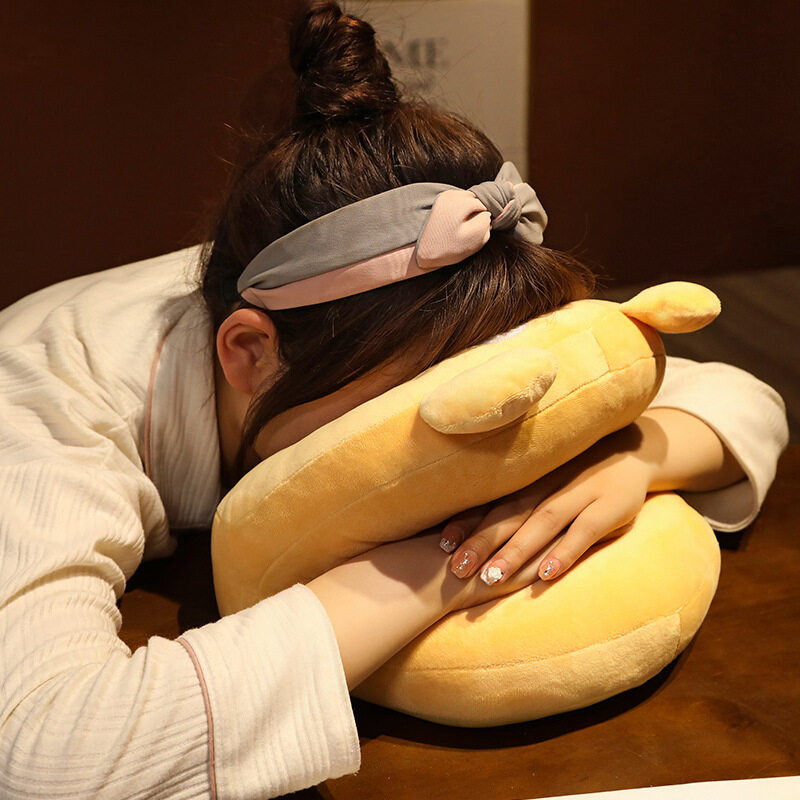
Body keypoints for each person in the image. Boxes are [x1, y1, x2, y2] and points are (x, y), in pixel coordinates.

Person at [0, 2, 788, 798]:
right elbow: (48, 756)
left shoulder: (425, 309)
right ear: (249, 353)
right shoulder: (47, 407)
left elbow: (738, 397)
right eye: (408, 405)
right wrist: (441, 568)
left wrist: (630, 460)